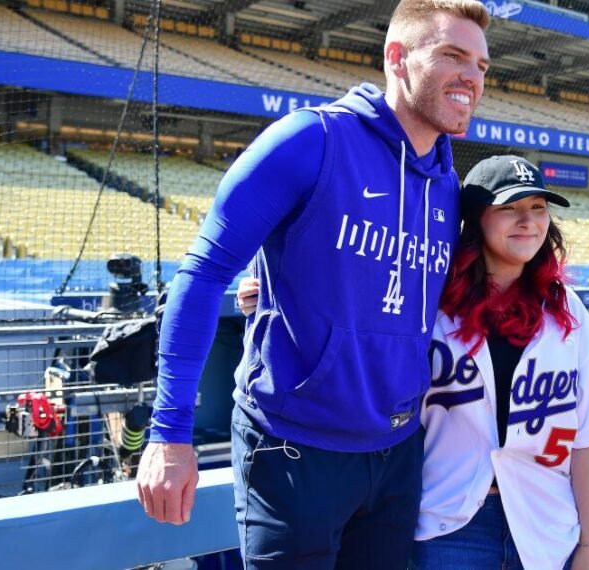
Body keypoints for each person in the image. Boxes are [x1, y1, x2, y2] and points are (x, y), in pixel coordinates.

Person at [136, 2, 491, 569]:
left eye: (481, 65)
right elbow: (201, 275)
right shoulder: (310, 140)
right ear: (396, 58)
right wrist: (170, 433)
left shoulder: (446, 185)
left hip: (397, 453)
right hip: (293, 450)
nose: (472, 77)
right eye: (452, 55)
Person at [239, 155, 589, 569]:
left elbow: (587, 442)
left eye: (538, 208)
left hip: (548, 524)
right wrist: (276, 293)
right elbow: (349, 311)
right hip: (449, 526)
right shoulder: (428, 302)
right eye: (509, 208)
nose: (528, 221)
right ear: (475, 220)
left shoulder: (569, 312)